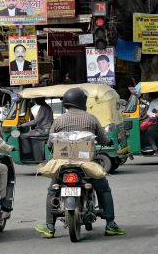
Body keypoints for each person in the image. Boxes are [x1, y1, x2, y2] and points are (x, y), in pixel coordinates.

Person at [36, 88, 125, 238]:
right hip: (86, 164)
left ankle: (50, 226)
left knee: (52, 190)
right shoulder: (91, 119)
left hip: (63, 165)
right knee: (103, 189)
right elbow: (103, 139)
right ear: (81, 102)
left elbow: (51, 143)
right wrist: (108, 141)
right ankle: (110, 225)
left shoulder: (59, 120)